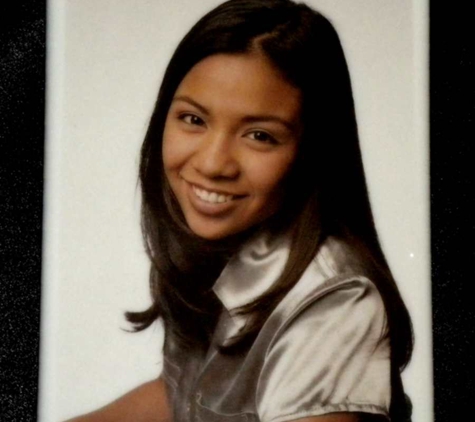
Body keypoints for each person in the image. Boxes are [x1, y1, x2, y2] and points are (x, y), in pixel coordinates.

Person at [68, 0, 413, 421]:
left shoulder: (335, 301)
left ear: (312, 151)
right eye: (193, 119)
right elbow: (183, 397)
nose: (213, 164)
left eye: (259, 135)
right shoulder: (216, 243)